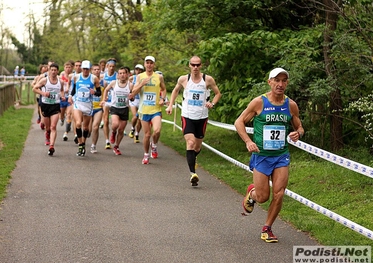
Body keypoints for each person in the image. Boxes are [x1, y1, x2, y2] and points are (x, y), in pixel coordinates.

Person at [234, 67, 304, 243]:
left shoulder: (291, 105)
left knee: (279, 193)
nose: (280, 84)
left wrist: (299, 133)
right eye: (277, 80)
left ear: (286, 83)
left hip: (281, 155)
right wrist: (248, 141)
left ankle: (267, 228)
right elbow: (239, 122)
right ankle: (252, 193)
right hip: (262, 155)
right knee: (263, 197)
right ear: (270, 82)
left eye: (283, 81)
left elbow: (299, 126)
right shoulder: (259, 102)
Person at [166, 55, 221, 186]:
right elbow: (175, 91)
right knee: (190, 143)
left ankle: (193, 158)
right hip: (187, 116)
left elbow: (218, 93)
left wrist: (212, 103)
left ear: (201, 65)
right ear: (189, 65)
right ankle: (193, 174)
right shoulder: (184, 79)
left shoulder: (207, 79)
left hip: (202, 117)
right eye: (193, 65)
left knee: (197, 146)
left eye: (198, 65)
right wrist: (170, 105)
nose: (195, 67)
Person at [130, 55, 167, 165]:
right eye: (147, 62)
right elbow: (133, 92)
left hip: (155, 109)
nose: (149, 65)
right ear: (145, 64)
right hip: (144, 110)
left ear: (154, 64)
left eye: (151, 63)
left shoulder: (158, 77)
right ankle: (146, 155)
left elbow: (164, 89)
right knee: (147, 135)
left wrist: (162, 98)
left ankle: (154, 145)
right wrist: (141, 84)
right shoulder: (140, 76)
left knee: (157, 131)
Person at [68, 60, 101, 156]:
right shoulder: (76, 77)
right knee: (78, 123)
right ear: (81, 69)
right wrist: (70, 96)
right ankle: (80, 144)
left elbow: (99, 93)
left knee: (86, 127)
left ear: (90, 69)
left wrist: (94, 92)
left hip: (88, 105)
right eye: (84, 69)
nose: (85, 71)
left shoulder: (94, 79)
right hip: (78, 103)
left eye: (87, 69)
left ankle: (83, 142)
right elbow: (74, 89)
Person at [32, 63, 65, 156]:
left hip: (55, 105)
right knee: (48, 127)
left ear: (57, 71)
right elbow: (34, 89)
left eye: (55, 70)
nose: (53, 72)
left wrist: (62, 96)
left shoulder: (60, 81)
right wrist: (43, 93)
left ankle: (51, 146)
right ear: (49, 71)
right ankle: (47, 133)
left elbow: (62, 90)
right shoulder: (44, 80)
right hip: (45, 105)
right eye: (52, 70)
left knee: (53, 126)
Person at [102, 66, 133, 155]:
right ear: (118, 75)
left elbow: (132, 97)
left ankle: (116, 146)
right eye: (120, 73)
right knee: (115, 124)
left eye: (124, 73)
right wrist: (104, 99)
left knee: (121, 130)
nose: (122, 75)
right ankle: (113, 132)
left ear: (127, 75)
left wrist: (132, 98)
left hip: (124, 108)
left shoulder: (130, 85)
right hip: (115, 107)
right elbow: (106, 90)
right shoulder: (113, 83)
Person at [101, 58, 118, 149]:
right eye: (110, 66)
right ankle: (107, 141)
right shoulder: (103, 76)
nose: (111, 68)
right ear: (107, 66)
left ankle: (114, 132)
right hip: (107, 100)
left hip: (115, 101)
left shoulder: (118, 76)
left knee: (116, 123)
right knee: (106, 120)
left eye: (113, 66)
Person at [89, 63, 105, 153]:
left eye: (98, 69)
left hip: (98, 107)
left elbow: (105, 93)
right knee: (88, 129)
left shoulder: (103, 82)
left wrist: (104, 101)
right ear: (91, 70)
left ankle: (93, 145)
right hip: (88, 107)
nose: (96, 71)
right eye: (94, 69)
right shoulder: (88, 80)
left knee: (95, 127)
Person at [128, 64, 144, 143]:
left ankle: (137, 134)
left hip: (141, 101)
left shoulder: (144, 78)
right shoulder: (132, 78)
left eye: (140, 70)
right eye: (137, 69)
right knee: (135, 116)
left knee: (140, 119)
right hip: (134, 100)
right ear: (135, 70)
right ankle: (132, 128)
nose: (138, 71)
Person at [68, 60, 82, 144]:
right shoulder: (71, 76)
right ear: (74, 67)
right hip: (74, 97)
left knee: (81, 119)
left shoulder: (85, 75)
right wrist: (69, 95)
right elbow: (69, 85)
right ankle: (76, 135)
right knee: (74, 117)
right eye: (76, 65)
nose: (78, 67)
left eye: (80, 65)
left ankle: (80, 131)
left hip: (83, 99)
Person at [59, 61, 73, 140]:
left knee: (69, 114)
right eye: (66, 67)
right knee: (62, 114)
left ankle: (66, 132)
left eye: (69, 67)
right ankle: (61, 118)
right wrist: (62, 94)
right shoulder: (62, 75)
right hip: (63, 97)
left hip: (70, 98)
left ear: (72, 68)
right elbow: (61, 86)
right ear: (64, 68)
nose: (68, 69)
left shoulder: (73, 76)